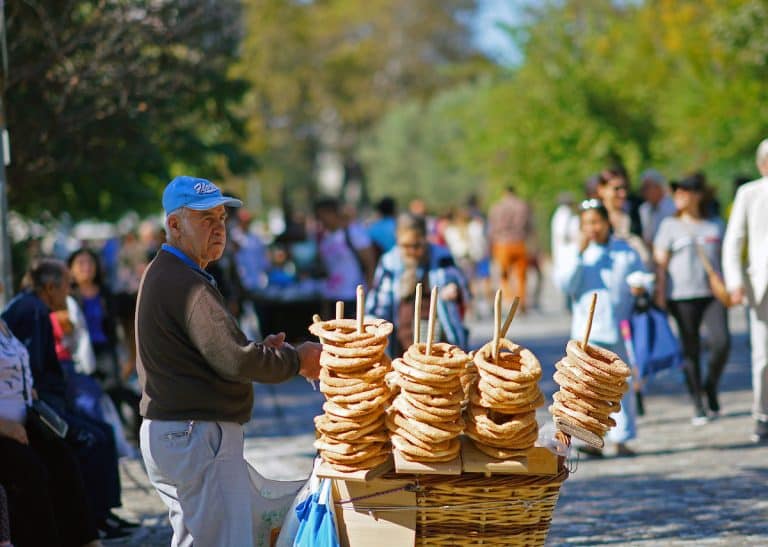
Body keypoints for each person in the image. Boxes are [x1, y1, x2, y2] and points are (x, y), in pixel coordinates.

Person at [137, 176, 321, 546]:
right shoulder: (183, 281)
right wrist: (296, 359)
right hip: (194, 433)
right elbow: (235, 360)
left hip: (178, 432)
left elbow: (219, 351)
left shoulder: (175, 274)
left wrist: (260, 350)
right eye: (206, 219)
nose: (219, 227)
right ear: (174, 225)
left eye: (222, 218)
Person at [2, 260, 134, 539]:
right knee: (86, 441)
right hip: (29, 414)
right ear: (50, 287)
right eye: (67, 286)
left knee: (97, 435)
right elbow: (38, 371)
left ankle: (100, 517)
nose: (69, 292)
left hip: (39, 405)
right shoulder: (33, 311)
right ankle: (95, 518)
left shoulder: (32, 309)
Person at [0, 306, 101, 547]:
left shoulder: (4, 324)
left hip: (25, 420)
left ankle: (87, 541)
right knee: (32, 471)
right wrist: (5, 426)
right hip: (4, 429)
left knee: (63, 458)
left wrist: (28, 389)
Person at [557, 200, 649, 457]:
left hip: (619, 326)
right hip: (587, 331)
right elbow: (566, 286)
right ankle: (589, 438)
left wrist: (641, 285)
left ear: (607, 222)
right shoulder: (575, 253)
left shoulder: (623, 251)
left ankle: (623, 438)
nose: (592, 228)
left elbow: (641, 275)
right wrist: (578, 254)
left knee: (621, 384)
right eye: (586, 224)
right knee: (586, 389)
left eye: (596, 222)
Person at [654, 175, 730, 424]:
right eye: (676, 192)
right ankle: (698, 402)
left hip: (712, 295)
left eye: (685, 191)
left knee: (721, 342)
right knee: (691, 348)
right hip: (681, 296)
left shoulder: (715, 224)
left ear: (698, 195)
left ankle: (710, 385)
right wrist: (660, 294)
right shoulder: (669, 226)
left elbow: (727, 258)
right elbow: (661, 263)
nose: (679, 196)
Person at [366, 213, 469, 357]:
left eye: (417, 246)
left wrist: (455, 290)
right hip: (402, 342)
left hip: (439, 339)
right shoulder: (389, 262)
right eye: (406, 246)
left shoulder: (441, 257)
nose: (412, 252)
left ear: (425, 238)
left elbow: (463, 287)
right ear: (397, 240)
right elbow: (378, 305)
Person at [723, 138, 768, 444]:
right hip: (761, 286)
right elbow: (734, 241)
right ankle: (762, 414)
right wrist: (735, 281)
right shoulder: (749, 193)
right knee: (763, 356)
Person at [314, 197, 377, 313]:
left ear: (333, 213)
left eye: (322, 216)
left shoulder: (354, 233)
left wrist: (369, 292)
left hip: (353, 297)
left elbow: (370, 262)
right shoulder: (325, 239)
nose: (320, 220)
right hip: (332, 297)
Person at [488, 186, 534, 310]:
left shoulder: (496, 207)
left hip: (502, 243)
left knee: (504, 275)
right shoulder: (522, 206)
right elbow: (530, 226)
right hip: (519, 242)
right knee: (521, 275)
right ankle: (521, 301)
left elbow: (492, 229)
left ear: (504, 193)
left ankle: (509, 300)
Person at [638, 168, 677, 248]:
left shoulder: (673, 207)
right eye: (643, 187)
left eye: (647, 187)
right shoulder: (644, 209)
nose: (643, 191)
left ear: (659, 188)